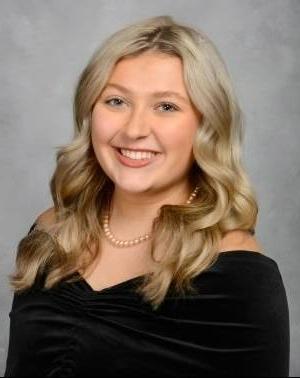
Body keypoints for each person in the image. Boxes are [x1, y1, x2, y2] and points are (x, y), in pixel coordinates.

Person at [4, 15, 289, 377]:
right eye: (116, 101)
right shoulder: (50, 233)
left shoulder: (239, 277)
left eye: (166, 106)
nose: (135, 129)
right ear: (90, 112)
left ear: (207, 125)